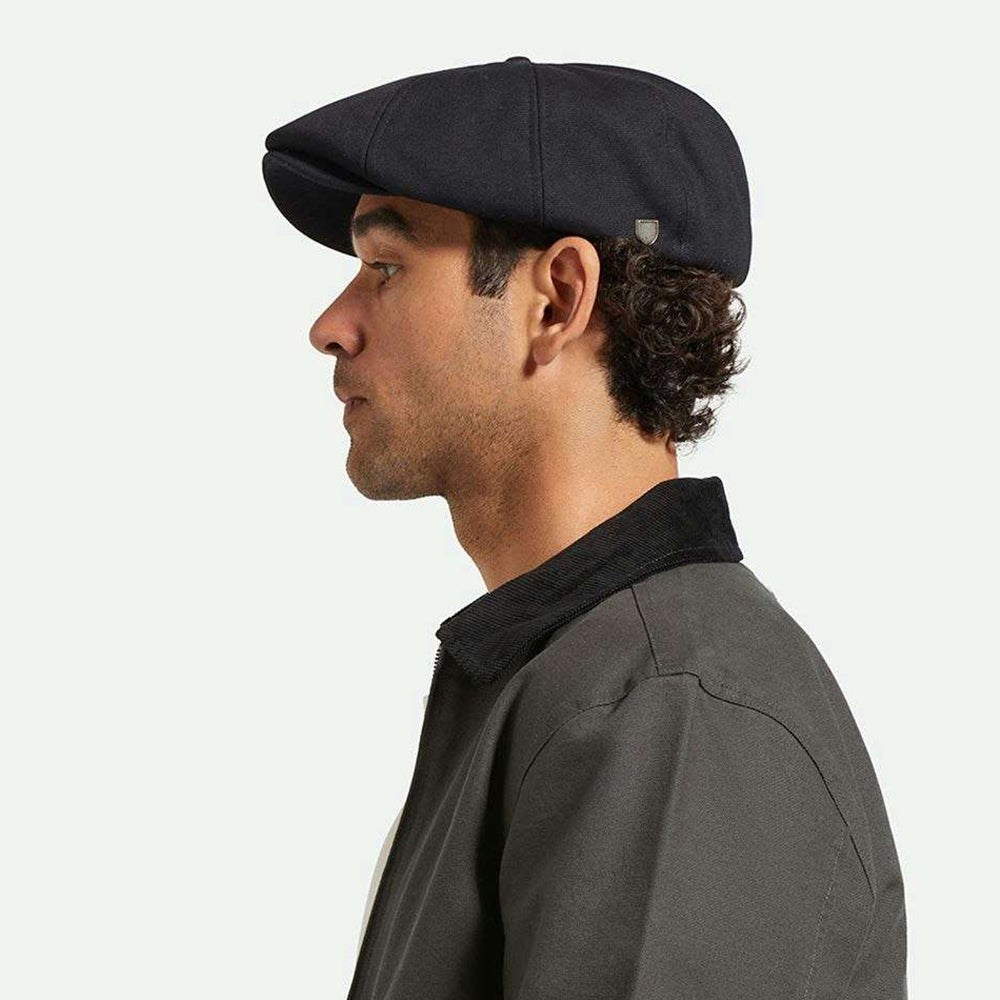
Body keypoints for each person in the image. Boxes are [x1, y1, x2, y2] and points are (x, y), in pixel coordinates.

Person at [262, 57, 907, 1000]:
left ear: (558, 299)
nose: (330, 325)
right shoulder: (582, 680)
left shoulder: (669, 714)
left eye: (386, 267)